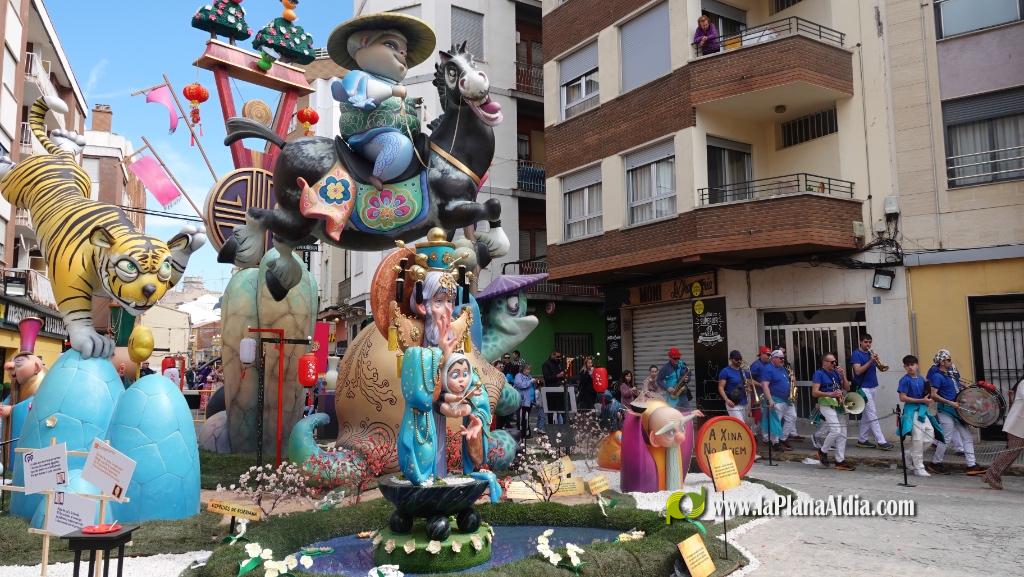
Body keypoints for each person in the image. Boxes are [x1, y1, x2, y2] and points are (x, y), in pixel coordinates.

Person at [330, 13, 431, 190]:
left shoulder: (396, 84)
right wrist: (391, 91)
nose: (402, 53)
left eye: (405, 52)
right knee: (398, 145)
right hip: (371, 138)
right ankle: (378, 176)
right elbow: (366, 91)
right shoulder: (359, 76)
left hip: (405, 137)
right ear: (363, 43)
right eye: (391, 45)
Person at [927, 349, 985, 476]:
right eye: (948, 359)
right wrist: (950, 402)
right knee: (946, 438)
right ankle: (935, 463)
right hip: (946, 410)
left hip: (957, 410)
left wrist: (964, 388)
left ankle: (971, 465)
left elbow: (956, 387)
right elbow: (933, 395)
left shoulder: (950, 374)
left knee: (967, 437)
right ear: (942, 362)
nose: (950, 361)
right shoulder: (937, 376)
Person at [897, 355, 943, 477]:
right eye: (907, 365)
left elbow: (926, 394)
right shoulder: (904, 380)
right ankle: (918, 467)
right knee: (917, 437)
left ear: (917, 365)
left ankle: (909, 454)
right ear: (904, 367)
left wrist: (928, 398)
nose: (910, 367)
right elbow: (902, 397)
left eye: (912, 364)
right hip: (911, 411)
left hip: (922, 411)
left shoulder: (922, 379)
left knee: (930, 435)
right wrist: (921, 400)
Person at [811, 353, 855, 470]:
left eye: (835, 361)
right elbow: (814, 392)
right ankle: (822, 451)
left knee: (843, 434)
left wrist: (843, 375)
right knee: (836, 430)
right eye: (832, 362)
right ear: (824, 362)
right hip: (826, 403)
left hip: (839, 404)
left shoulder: (836, 373)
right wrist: (830, 394)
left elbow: (847, 388)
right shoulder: (819, 373)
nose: (835, 364)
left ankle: (839, 460)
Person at [851, 334, 895, 450]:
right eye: (866, 342)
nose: (868, 344)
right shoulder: (856, 354)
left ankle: (862, 440)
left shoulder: (870, 353)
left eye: (870, 342)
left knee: (867, 415)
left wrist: (878, 362)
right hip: (863, 388)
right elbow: (858, 371)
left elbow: (879, 368)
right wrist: (870, 361)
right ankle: (881, 441)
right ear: (860, 342)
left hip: (872, 386)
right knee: (872, 414)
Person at [982, 378, 1023, 489]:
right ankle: (992, 474)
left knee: (1013, 452)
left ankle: (993, 475)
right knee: (1012, 452)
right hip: (1017, 425)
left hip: (1020, 426)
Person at [759, 350, 792, 452]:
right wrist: (770, 400)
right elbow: (765, 385)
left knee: (792, 417)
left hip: (786, 400)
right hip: (775, 399)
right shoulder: (768, 369)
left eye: (783, 358)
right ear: (774, 358)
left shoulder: (782, 368)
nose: (783, 360)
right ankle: (775, 442)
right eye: (780, 358)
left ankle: (782, 438)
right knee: (775, 421)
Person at [718, 350, 749, 422]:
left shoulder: (743, 371)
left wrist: (759, 385)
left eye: (740, 359)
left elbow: (748, 382)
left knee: (739, 425)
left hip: (744, 402)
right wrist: (726, 399)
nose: (739, 361)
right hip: (732, 402)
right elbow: (720, 387)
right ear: (731, 359)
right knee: (741, 424)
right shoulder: (725, 371)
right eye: (736, 359)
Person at [513, 364, 537, 439]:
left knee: (526, 417)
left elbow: (531, 388)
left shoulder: (529, 376)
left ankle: (527, 433)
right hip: (522, 401)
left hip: (529, 401)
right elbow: (521, 385)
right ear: (523, 369)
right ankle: (521, 434)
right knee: (521, 418)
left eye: (529, 369)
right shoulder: (518, 376)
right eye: (526, 369)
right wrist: (530, 381)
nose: (528, 371)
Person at [542, 351, 566, 424]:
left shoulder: (558, 364)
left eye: (559, 357)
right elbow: (547, 378)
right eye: (557, 357)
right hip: (550, 391)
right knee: (551, 411)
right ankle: (551, 427)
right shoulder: (546, 364)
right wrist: (557, 376)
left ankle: (563, 427)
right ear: (552, 355)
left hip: (560, 390)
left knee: (562, 410)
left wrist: (562, 377)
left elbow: (562, 375)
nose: (559, 358)